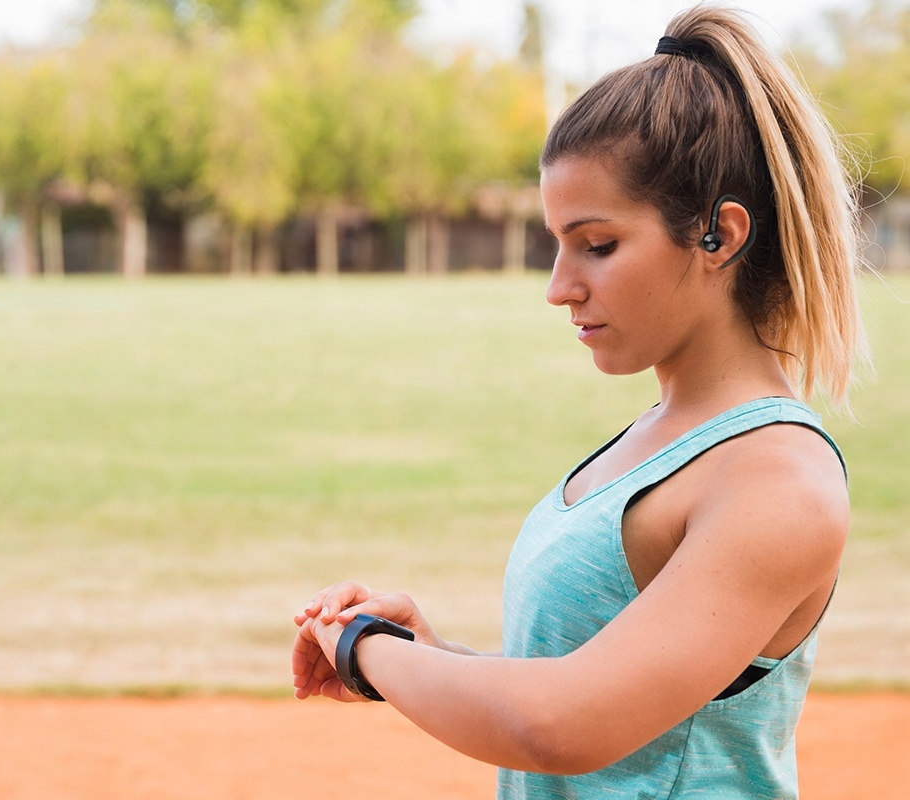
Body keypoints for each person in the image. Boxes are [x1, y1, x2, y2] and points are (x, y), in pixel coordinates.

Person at [292, 5, 868, 798]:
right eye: (557, 245)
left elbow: (562, 725)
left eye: (597, 246)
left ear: (719, 236)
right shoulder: (662, 437)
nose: (561, 287)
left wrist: (364, 648)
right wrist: (427, 656)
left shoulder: (779, 480)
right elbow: (591, 687)